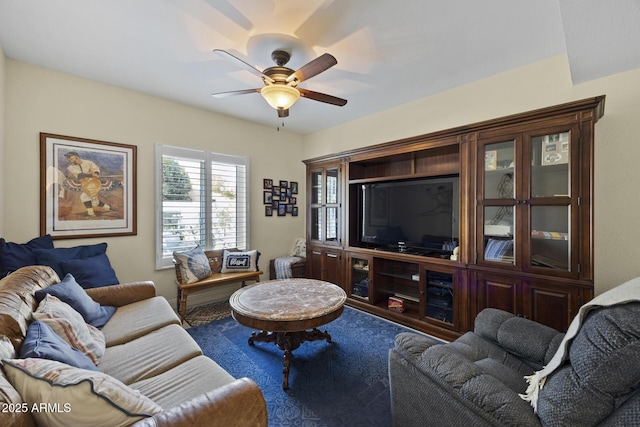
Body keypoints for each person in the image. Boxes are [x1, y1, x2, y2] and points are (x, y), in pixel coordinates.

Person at [64, 151, 118, 218]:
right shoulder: (71, 167)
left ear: (76, 156)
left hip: (94, 183)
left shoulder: (88, 162)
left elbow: (96, 168)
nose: (68, 159)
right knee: (94, 202)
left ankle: (91, 214)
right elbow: (79, 175)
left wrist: (96, 173)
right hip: (85, 185)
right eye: (67, 157)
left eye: (70, 156)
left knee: (84, 197)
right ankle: (109, 208)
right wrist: (91, 175)